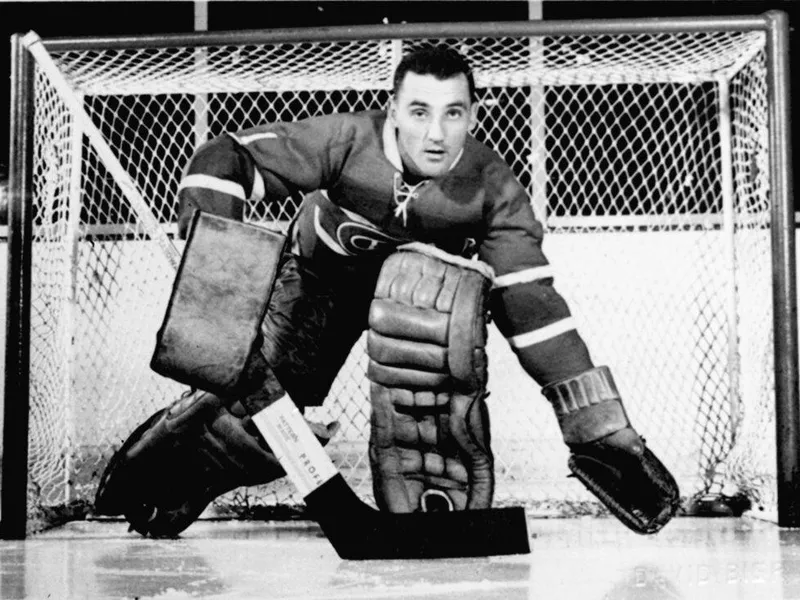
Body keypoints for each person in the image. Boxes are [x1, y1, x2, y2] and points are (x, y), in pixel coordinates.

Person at [95, 45, 679, 537]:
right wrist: (220, 283)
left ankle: (430, 501)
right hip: (318, 283)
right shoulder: (348, 139)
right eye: (419, 111)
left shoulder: (495, 188)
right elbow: (223, 159)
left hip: (416, 308)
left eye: (453, 114)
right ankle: (196, 455)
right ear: (393, 110)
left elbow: (531, 304)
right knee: (259, 400)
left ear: (474, 115)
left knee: (442, 319)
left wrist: (594, 422)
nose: (435, 131)